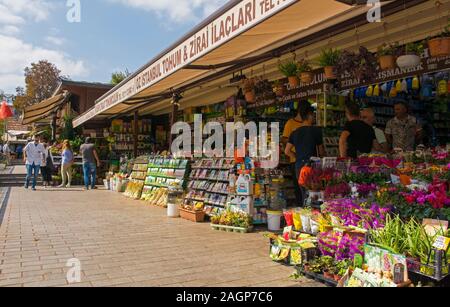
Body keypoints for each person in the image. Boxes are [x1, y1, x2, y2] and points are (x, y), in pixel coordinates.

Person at [285, 102, 326, 205]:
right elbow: (321, 152)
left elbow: (287, 151)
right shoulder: (316, 131)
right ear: (309, 115)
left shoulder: (295, 132)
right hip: (312, 166)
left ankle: (305, 214)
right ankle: (314, 215)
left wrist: (296, 156)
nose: (314, 117)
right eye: (313, 115)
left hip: (299, 166)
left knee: (303, 193)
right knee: (315, 193)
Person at [282, 103, 305, 206]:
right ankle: (301, 207)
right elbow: (284, 139)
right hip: (295, 160)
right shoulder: (290, 123)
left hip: (307, 160)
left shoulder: (307, 124)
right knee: (298, 186)